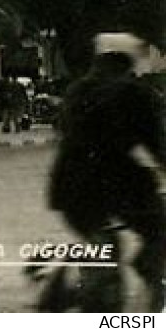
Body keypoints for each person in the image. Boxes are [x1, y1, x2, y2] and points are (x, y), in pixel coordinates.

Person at [48, 33, 166, 312]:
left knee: (100, 246)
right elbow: (156, 142)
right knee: (159, 230)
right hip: (119, 182)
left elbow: (63, 130)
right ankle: (144, 272)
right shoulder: (134, 92)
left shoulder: (76, 90)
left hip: (70, 186)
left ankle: (86, 293)